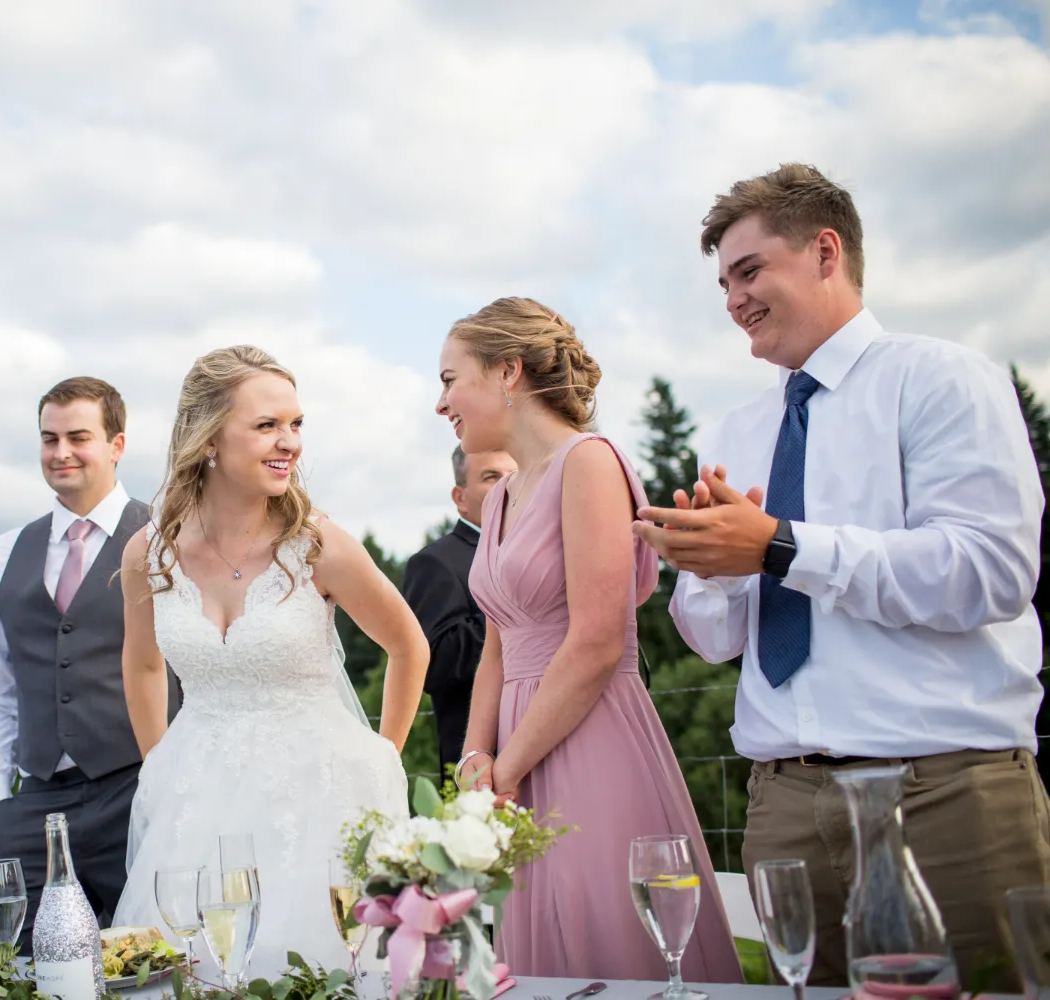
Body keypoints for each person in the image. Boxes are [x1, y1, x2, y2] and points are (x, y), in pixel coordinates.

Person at [636, 163, 1047, 988]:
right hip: (782, 808)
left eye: (750, 271)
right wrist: (708, 569)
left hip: (944, 795)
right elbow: (717, 641)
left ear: (827, 252)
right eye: (722, 283)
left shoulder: (942, 378)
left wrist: (778, 545)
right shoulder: (739, 428)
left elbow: (990, 573)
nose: (732, 301)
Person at [440, 297, 742, 981]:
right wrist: (474, 762)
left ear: (508, 371)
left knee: (606, 937)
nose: (442, 404)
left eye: (450, 379)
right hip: (513, 753)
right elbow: (497, 645)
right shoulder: (501, 499)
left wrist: (509, 766)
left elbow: (599, 640)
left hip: (587, 734)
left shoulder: (589, 463)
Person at [113, 346, 427, 974]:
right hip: (193, 801)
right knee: (188, 966)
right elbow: (144, 664)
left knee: (320, 967)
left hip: (322, 800)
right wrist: (158, 764)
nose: (290, 442)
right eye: (266, 426)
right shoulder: (148, 554)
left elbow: (407, 645)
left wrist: (384, 756)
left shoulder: (318, 545)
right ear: (208, 439)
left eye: (296, 424)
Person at [0, 377, 179, 942]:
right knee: (13, 965)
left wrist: (176, 784)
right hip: (34, 805)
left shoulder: (167, 540)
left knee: (155, 957)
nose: (61, 453)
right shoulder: (2, 555)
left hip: (139, 794)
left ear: (117, 444)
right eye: (49, 439)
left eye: (78, 436)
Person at [401, 446, 516, 773]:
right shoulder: (434, 563)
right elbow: (436, 664)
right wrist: (514, 603)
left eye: (513, 475)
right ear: (460, 496)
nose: (506, 486)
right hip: (483, 759)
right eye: (491, 477)